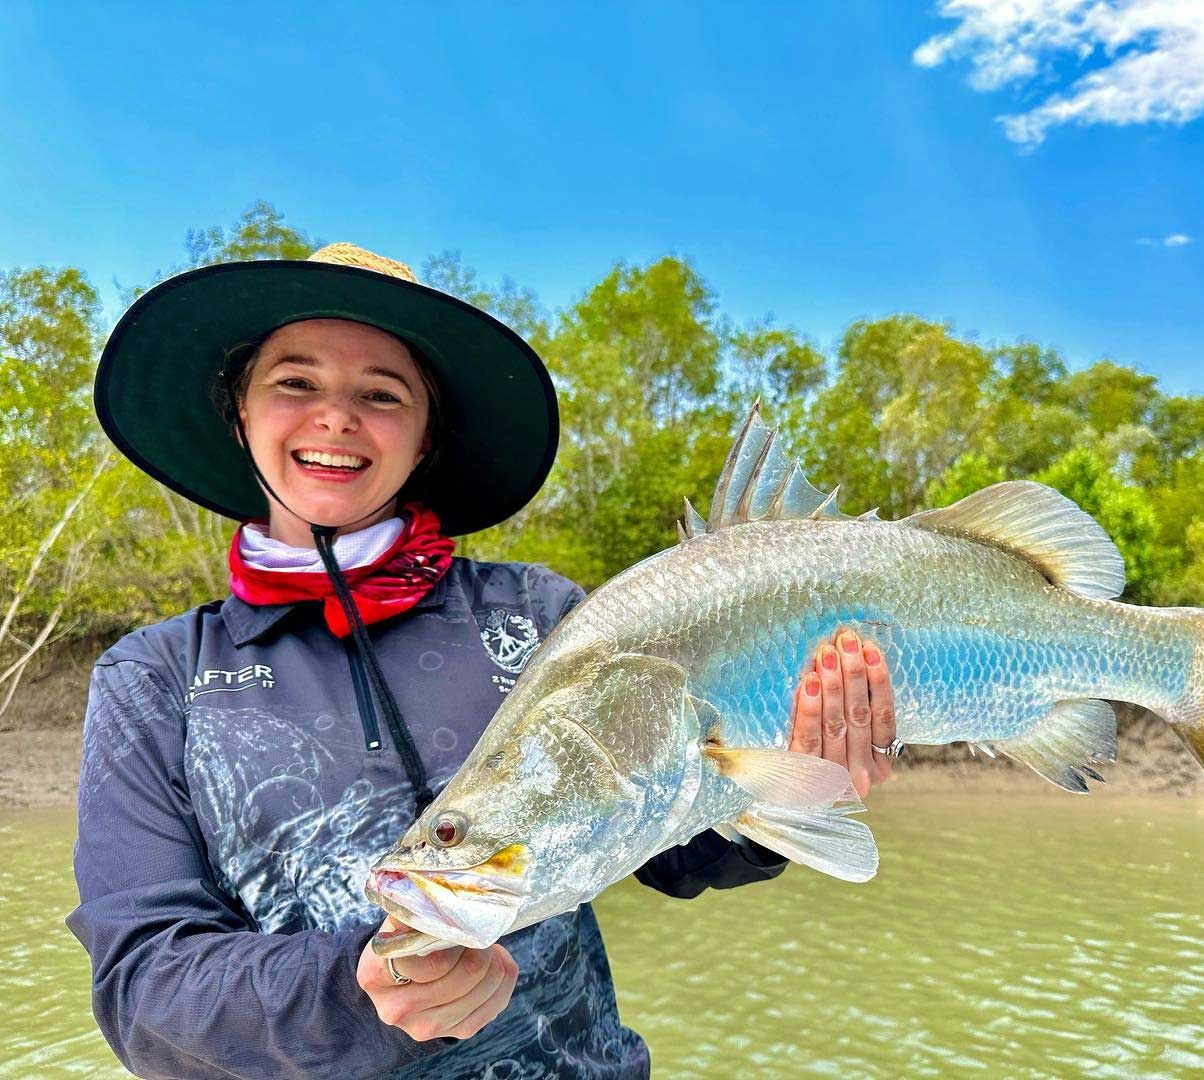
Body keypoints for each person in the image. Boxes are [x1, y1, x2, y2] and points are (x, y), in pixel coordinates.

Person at [66, 243, 898, 1078]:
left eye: (382, 394)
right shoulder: (154, 676)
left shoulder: (540, 615)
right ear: (239, 415)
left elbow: (676, 852)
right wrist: (356, 988)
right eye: (294, 382)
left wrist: (786, 785)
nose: (336, 417)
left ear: (426, 438)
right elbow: (144, 988)